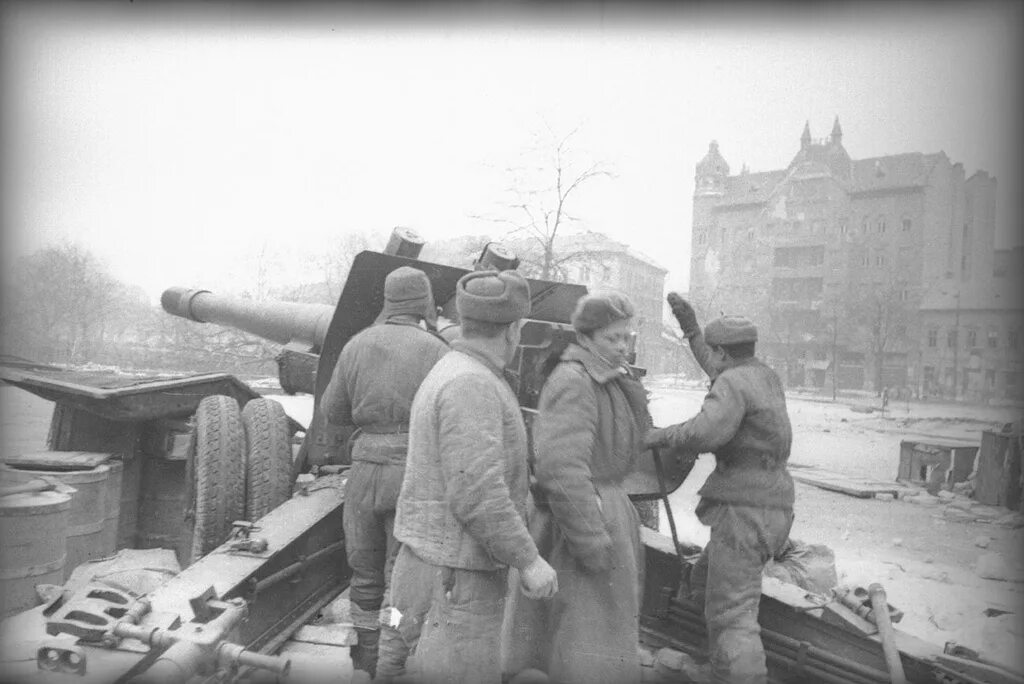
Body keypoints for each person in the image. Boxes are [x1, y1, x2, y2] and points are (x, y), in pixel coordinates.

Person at [389, 270, 558, 684]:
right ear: (514, 329)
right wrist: (528, 559)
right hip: (456, 580)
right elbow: (477, 493)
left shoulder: (455, 368)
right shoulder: (472, 383)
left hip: (434, 568)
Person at [504, 291, 650, 684]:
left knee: (596, 637)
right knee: (585, 640)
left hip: (601, 514)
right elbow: (561, 468)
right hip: (583, 524)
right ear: (585, 338)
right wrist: (592, 541)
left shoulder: (604, 378)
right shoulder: (575, 379)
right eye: (612, 339)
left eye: (626, 338)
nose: (622, 348)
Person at [644, 308, 794, 684]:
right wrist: (693, 330)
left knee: (733, 613)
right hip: (769, 505)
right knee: (703, 583)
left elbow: (704, 434)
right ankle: (722, 671)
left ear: (723, 353)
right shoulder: (762, 376)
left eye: (712, 353)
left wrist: (660, 436)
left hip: (745, 511)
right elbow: (717, 368)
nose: (710, 362)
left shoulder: (732, 385)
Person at [319, 266, 450, 678]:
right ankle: (391, 662)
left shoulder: (357, 345)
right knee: (401, 576)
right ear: (424, 302)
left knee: (364, 572)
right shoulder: (439, 351)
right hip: (412, 473)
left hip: (363, 472)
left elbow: (332, 413)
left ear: (388, 300)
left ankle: (363, 658)